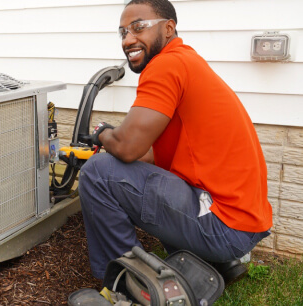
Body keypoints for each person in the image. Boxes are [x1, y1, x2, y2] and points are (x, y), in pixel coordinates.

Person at [78, 0, 272, 285]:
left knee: (98, 172)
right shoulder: (187, 61)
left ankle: (127, 282)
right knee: (132, 172)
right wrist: (119, 146)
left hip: (224, 225)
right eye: (122, 32)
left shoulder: (166, 65)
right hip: (241, 221)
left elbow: (128, 146)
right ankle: (215, 264)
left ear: (168, 28)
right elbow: (149, 156)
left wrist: (103, 133)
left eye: (138, 27)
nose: (128, 39)